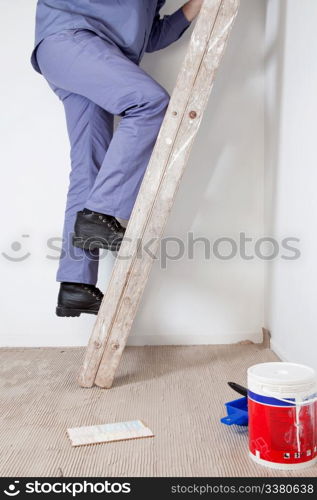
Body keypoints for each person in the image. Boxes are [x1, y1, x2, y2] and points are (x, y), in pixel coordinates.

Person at [31, 0, 203, 317]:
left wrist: (195, 5)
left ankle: (74, 285)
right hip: (70, 39)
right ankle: (99, 216)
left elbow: (149, 35)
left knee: (89, 169)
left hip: (99, 56)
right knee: (150, 103)